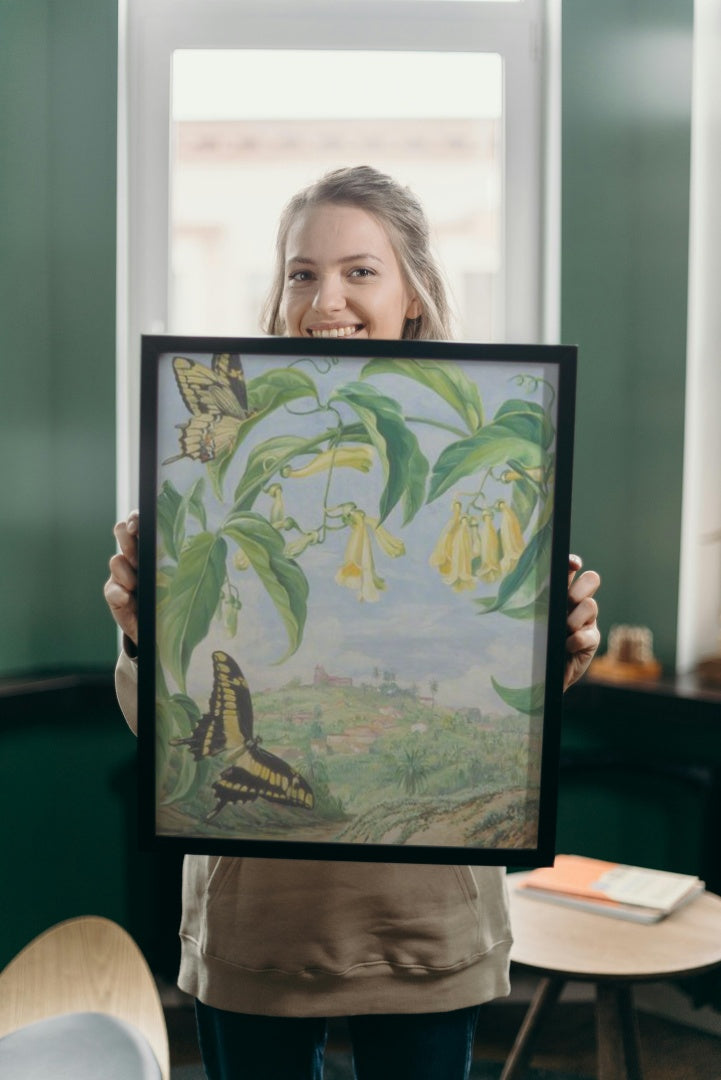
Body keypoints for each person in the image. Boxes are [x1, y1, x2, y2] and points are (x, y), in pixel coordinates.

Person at [105, 166, 601, 1080]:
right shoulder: (213, 459)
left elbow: (507, 720)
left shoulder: (489, 448)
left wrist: (556, 650)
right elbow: (169, 737)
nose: (324, 298)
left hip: (425, 923)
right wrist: (144, 634)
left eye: (359, 271)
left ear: (413, 292)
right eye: (301, 272)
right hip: (256, 923)